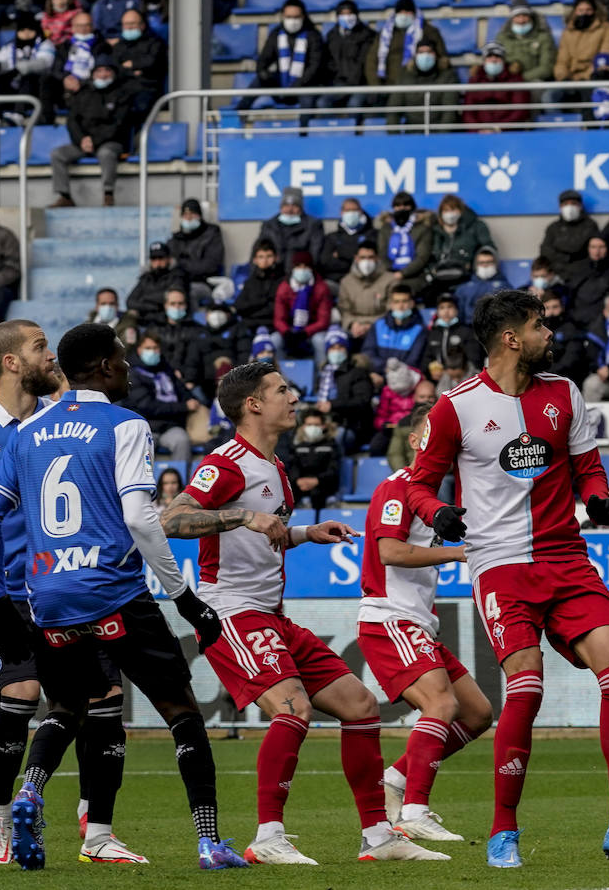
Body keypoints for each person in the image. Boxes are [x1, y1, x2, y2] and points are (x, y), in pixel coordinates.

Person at [407, 289, 609, 867]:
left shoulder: (564, 392)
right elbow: (417, 484)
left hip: (566, 557)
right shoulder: (454, 408)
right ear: (511, 338)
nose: (548, 333)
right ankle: (504, 830)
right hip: (501, 564)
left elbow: (588, 467)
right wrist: (438, 513)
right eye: (538, 325)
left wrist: (600, 499)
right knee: (526, 685)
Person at [0, 323, 245, 871]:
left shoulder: (28, 430)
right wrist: (184, 597)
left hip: (48, 597)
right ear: (101, 365)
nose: (128, 368)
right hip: (114, 592)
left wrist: (3, 596)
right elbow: (140, 517)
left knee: (69, 706)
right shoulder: (125, 425)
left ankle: (29, 793)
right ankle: (210, 843)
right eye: (121, 358)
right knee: (182, 712)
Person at [160, 362, 446, 864]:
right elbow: (171, 518)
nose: (294, 399)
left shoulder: (274, 466)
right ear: (253, 404)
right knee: (293, 708)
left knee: (360, 704)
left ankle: (378, 836)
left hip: (273, 615)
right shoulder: (226, 463)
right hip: (232, 611)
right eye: (282, 390)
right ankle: (268, 836)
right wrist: (244, 513)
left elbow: (263, 533)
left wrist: (302, 534)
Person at [0, 320, 142, 864]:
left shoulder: (61, 422)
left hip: (64, 586)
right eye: (40, 348)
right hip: (5, 590)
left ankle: (98, 828)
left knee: (105, 698)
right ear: (13, 362)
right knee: (21, 693)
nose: (51, 356)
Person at [358, 400, 492, 839]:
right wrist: (457, 553)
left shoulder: (438, 501)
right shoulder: (396, 487)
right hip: (389, 618)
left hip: (418, 621)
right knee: (442, 705)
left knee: (476, 713)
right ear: (416, 441)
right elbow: (389, 552)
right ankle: (414, 812)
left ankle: (396, 781)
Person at [49, 55, 134, 208]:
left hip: (110, 142)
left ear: (113, 73)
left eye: (107, 70)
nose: (103, 74)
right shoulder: (84, 93)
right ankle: (65, 196)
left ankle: (108, 194)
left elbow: (118, 124)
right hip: (84, 142)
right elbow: (72, 121)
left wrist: (93, 141)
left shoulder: (122, 94)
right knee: (58, 154)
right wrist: (81, 140)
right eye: (99, 71)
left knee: (106, 154)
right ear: (93, 74)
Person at [123, 331, 199, 463]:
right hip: (146, 426)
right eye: (148, 348)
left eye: (155, 348)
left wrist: (189, 399)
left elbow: (181, 389)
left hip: (170, 425)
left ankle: (178, 481)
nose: (152, 352)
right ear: (139, 350)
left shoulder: (166, 368)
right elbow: (147, 406)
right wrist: (184, 407)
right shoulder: (133, 374)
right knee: (144, 448)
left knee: (182, 441)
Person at [249, 0, 324, 112]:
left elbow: (315, 66)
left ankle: (304, 129)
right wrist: (263, 74)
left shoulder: (313, 36)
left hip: (304, 85)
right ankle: (235, 118)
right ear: (283, 17)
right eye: (289, 17)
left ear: (303, 17)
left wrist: (297, 85)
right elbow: (264, 59)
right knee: (258, 81)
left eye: (296, 17)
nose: (292, 21)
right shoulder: (276, 34)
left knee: (307, 100)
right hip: (281, 85)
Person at [365, 0, 449, 95]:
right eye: (401, 12)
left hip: (417, 86)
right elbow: (372, 60)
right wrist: (377, 88)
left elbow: (442, 58)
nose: (404, 15)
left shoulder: (429, 32)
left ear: (414, 13)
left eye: (407, 12)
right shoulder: (385, 34)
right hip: (388, 86)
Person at [551, 0, 609, 105]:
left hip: (593, 79)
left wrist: (582, 78)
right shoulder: (568, 31)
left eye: (588, 10)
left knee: (587, 96)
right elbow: (561, 61)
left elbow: (605, 58)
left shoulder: (606, 28)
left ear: (595, 11)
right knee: (549, 97)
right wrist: (564, 77)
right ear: (575, 11)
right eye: (580, 10)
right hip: (570, 79)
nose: (584, 13)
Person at [39, 9, 101, 126]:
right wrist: (66, 78)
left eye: (86, 25)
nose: (82, 29)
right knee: (47, 79)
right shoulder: (65, 46)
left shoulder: (101, 46)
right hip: (65, 86)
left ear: (92, 27)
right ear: (72, 28)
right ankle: (47, 120)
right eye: (79, 26)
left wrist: (82, 82)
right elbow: (56, 69)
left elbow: (103, 68)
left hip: (89, 85)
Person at [314, 333, 376, 448]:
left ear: (347, 350)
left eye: (340, 347)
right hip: (325, 422)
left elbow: (362, 400)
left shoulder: (358, 372)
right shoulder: (323, 374)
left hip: (351, 426)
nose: (336, 351)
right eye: (332, 348)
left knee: (335, 438)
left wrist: (332, 405)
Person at [386, 37, 460, 131]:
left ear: (436, 55)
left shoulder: (448, 76)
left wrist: (442, 139)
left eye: (429, 52)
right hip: (412, 136)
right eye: (420, 52)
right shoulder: (405, 76)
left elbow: (449, 112)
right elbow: (394, 110)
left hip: (439, 136)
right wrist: (395, 139)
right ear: (415, 55)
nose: (425, 55)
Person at [278, 407, 341, 515]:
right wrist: (298, 480)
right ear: (303, 426)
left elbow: (333, 469)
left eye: (316, 425)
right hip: (300, 484)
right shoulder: (297, 445)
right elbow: (293, 466)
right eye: (309, 425)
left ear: (323, 426)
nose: (312, 428)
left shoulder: (331, 445)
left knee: (318, 494)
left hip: (323, 484)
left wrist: (317, 480)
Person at [0, 11, 55, 110]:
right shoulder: (9, 47)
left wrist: (20, 68)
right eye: (22, 30)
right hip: (14, 87)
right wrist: (1, 67)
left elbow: (45, 62)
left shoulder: (45, 43)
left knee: (28, 77)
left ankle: (19, 113)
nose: (26, 33)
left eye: (30, 30)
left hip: (37, 88)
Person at [320, 0, 376, 116]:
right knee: (322, 103)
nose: (347, 17)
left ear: (356, 15)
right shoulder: (332, 36)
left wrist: (353, 81)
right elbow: (328, 61)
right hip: (339, 83)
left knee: (354, 105)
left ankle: (354, 133)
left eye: (349, 14)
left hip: (361, 84)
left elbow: (364, 63)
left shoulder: (368, 35)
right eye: (343, 14)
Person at [272, 251, 333, 359]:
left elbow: (323, 321)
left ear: (312, 268)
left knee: (320, 341)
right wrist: (286, 332)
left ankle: (322, 373)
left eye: (306, 266)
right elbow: (278, 319)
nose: (302, 269)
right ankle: (277, 374)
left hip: (312, 331)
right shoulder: (284, 288)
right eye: (298, 266)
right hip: (290, 330)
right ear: (293, 268)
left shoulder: (321, 288)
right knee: (275, 340)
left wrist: (305, 333)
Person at [255, 187, 325, 273]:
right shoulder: (269, 226)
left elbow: (315, 255)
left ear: (301, 208)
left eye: (294, 206)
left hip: (299, 276)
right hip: (273, 276)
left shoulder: (313, 225)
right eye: (286, 205)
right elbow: (258, 252)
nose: (289, 210)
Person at [376, 192, 434, 295]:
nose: (402, 208)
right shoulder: (386, 228)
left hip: (415, 276)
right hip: (390, 274)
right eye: (398, 206)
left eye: (406, 205)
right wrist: (391, 272)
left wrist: (403, 273)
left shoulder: (422, 228)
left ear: (412, 207)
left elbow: (422, 257)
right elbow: (382, 253)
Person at [431, 195, 496, 287]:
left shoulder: (476, 226)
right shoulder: (436, 230)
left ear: (460, 211)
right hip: (441, 277)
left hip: (468, 276)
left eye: (453, 209)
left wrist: (473, 265)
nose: (450, 214)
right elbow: (430, 255)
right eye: (446, 210)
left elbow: (488, 248)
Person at [464, 42, 531, 129]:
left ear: (503, 60)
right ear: (484, 60)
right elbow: (468, 112)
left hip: (508, 133)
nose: (493, 60)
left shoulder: (515, 79)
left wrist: (499, 128)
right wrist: (478, 129)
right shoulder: (475, 80)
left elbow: (520, 111)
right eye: (489, 57)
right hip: (479, 134)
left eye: (497, 57)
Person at [338, 241, 397, 340]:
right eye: (363, 258)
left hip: (382, 327)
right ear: (356, 258)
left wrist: (371, 326)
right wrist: (353, 324)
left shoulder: (390, 280)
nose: (366, 261)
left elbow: (391, 310)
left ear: (377, 258)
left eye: (370, 257)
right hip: (354, 328)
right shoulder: (346, 282)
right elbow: (344, 310)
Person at [568, 236, 609, 329]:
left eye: (601, 247)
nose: (597, 251)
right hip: (577, 321)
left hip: (605, 323)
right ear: (587, 248)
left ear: (608, 248)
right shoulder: (577, 270)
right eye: (593, 247)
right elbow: (569, 297)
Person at [363, 285, 427, 373]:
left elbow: (414, 360)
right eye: (396, 302)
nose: (400, 306)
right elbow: (368, 352)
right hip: (379, 372)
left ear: (412, 304)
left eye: (404, 301)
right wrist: (383, 368)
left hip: (405, 376)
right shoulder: (378, 325)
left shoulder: (420, 329)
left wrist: (395, 372)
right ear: (391, 305)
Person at [494, 0, 556, 85]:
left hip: (534, 82)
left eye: (525, 16)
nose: (521, 20)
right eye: (517, 16)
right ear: (512, 18)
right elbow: (495, 61)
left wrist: (520, 79)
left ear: (530, 17)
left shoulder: (543, 36)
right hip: (507, 82)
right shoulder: (502, 37)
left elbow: (546, 68)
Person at [167, 199, 224, 290]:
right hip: (176, 281)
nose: (189, 218)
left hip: (204, 283)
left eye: (192, 214)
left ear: (200, 216)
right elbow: (167, 262)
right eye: (185, 215)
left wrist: (181, 264)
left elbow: (210, 266)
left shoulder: (212, 234)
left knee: (184, 292)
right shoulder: (176, 239)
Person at [424, 293, 483, 381]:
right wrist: (430, 371)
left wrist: (453, 372)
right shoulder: (433, 333)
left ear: (457, 310)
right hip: (438, 379)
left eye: (450, 307)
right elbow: (426, 358)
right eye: (442, 308)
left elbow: (475, 359)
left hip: (463, 378)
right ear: (437, 312)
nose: (446, 311)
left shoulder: (467, 331)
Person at [540, 190, 600, 276]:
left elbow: (579, 248)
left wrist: (560, 252)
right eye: (565, 204)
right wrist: (567, 257)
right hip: (558, 273)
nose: (569, 207)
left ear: (580, 206)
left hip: (583, 273)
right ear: (560, 207)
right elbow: (545, 250)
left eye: (573, 203)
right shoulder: (553, 227)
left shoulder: (590, 225)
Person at [126, 242, 186, 327]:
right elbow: (130, 301)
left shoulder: (177, 276)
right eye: (154, 258)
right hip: (145, 319)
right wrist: (150, 306)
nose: (157, 262)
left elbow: (171, 297)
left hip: (166, 320)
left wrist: (145, 299)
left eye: (161, 258)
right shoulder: (146, 278)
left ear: (168, 258)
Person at [320, 200, 374, 283]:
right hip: (337, 281)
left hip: (365, 281)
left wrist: (341, 253)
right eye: (348, 210)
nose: (351, 213)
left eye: (354, 210)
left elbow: (372, 259)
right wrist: (355, 256)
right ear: (341, 213)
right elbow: (325, 263)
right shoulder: (332, 237)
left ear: (361, 212)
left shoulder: (372, 234)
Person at [236, 242, 286, 331]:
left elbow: (278, 309)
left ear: (276, 258)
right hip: (250, 326)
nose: (265, 260)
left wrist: (252, 309)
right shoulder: (250, 281)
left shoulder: (283, 281)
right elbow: (239, 306)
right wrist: (263, 301)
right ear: (255, 260)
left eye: (269, 256)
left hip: (274, 327)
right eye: (261, 257)